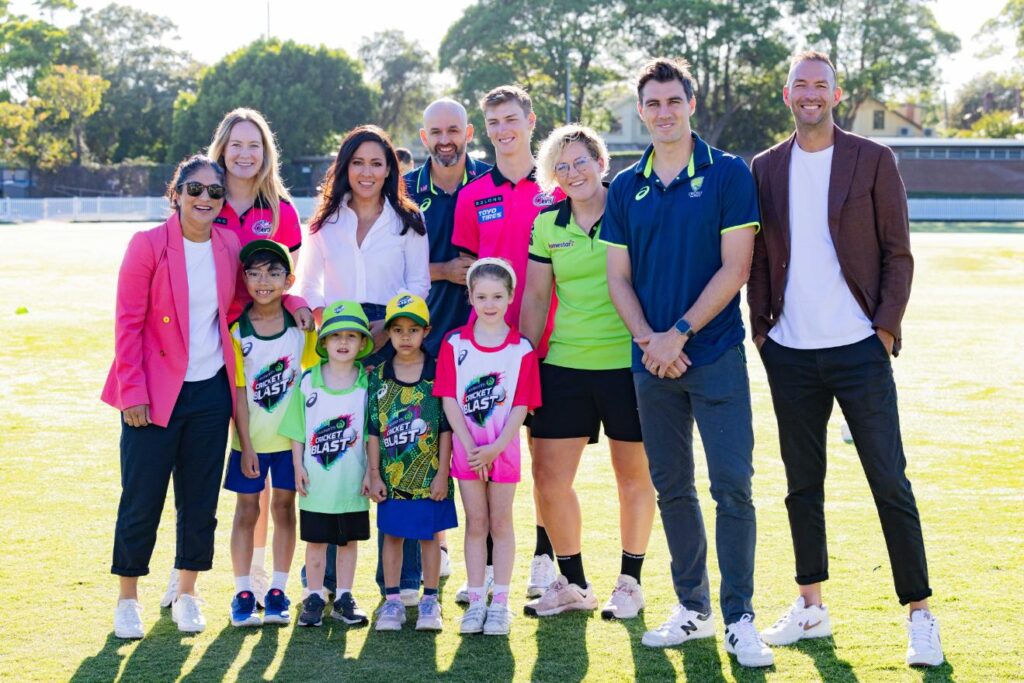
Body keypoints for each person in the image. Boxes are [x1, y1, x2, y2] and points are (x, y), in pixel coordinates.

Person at [748, 51, 942, 667]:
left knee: (889, 479)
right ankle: (811, 605)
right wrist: (763, 335)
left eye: (820, 86)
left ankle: (920, 616)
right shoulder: (765, 167)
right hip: (792, 354)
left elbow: (899, 254)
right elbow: (755, 257)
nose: (810, 95)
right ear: (786, 96)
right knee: (803, 487)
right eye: (800, 86)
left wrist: (882, 332)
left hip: (860, 350)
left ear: (837, 94)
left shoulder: (873, 159)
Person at [603, 58, 773, 668]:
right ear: (641, 110)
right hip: (652, 363)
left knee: (733, 487)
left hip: (714, 354)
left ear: (690, 104)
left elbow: (736, 267)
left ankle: (740, 617)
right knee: (672, 487)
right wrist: (652, 340)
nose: (664, 112)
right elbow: (617, 278)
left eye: (674, 100)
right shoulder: (625, 186)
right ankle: (693, 609)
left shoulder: (728, 173)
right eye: (653, 103)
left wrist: (678, 334)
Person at [102, 155, 309, 639]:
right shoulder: (148, 245)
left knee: (199, 502)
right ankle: (127, 598)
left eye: (215, 193)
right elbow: (127, 324)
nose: (205, 199)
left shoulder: (228, 244)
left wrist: (295, 301)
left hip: (211, 393)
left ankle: (188, 593)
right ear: (176, 194)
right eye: (195, 190)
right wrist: (132, 391)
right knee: (141, 499)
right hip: (152, 396)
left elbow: (260, 292)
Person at [520, 125, 656, 620]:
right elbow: (536, 297)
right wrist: (525, 362)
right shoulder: (547, 224)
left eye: (580, 161)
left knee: (633, 477)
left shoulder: (630, 211)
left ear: (600, 162)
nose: (572, 172)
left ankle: (630, 582)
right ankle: (574, 583)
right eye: (561, 165)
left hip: (629, 364)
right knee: (548, 477)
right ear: (550, 174)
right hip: (564, 365)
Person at [452, 85, 559, 600]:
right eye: (493, 122)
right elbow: (463, 271)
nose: (502, 130)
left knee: (543, 458)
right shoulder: (474, 194)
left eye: (511, 119)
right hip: (487, 354)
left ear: (530, 120)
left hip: (548, 346)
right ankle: (486, 568)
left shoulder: (560, 188)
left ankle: (544, 555)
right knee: (484, 455)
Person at [403, 97, 491, 590]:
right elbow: (390, 262)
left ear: (468, 132)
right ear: (423, 138)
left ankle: (490, 568)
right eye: (435, 131)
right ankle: (428, 561)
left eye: (453, 130)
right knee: (425, 452)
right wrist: (442, 272)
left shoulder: (489, 183)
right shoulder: (407, 190)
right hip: (424, 342)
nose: (445, 140)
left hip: (483, 346)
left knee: (480, 452)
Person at [434, 258, 542, 636]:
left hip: (503, 449)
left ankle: (501, 604)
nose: (490, 303)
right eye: (481, 296)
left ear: (511, 297)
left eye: (498, 296)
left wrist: (495, 448)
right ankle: (476, 601)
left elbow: (521, 405)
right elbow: (448, 398)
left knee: (501, 523)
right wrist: (470, 447)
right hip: (467, 451)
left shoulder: (521, 349)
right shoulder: (454, 343)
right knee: (476, 524)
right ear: (470, 297)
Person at [224, 240, 318, 627]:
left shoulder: (300, 329)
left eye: (273, 272)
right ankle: (244, 590)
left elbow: (311, 382)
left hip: (289, 445)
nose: (263, 281)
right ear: (243, 278)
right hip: (250, 442)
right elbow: (240, 394)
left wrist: (300, 452)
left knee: (283, 509)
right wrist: (246, 446)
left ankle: (278, 588)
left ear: (289, 279)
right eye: (254, 273)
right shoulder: (237, 332)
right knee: (247, 510)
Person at [365, 293, 457, 632]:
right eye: (398, 330)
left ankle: (430, 599)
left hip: (430, 474)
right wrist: (374, 474)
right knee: (392, 535)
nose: (405, 337)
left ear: (426, 331)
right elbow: (373, 430)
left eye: (413, 329)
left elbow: (446, 428)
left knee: (431, 535)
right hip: (391, 478)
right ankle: (392, 603)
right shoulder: (379, 377)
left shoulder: (437, 373)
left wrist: (442, 473)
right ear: (387, 332)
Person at [298, 124, 430, 363]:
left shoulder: (409, 219)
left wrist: (391, 325)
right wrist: (331, 326)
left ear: (389, 169)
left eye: (376, 164)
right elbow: (309, 284)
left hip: (392, 334)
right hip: (337, 332)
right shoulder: (325, 222)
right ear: (346, 166)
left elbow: (419, 283)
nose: (366, 172)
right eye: (358, 162)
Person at [280, 301, 374, 628]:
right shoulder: (308, 382)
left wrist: (370, 472)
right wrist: (298, 467)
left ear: (363, 343)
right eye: (335, 336)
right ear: (323, 343)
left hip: (352, 481)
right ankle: (315, 595)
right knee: (316, 542)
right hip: (316, 483)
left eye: (351, 336)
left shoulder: (367, 385)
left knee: (348, 542)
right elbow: (296, 429)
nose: (343, 342)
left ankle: (345, 596)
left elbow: (370, 435)